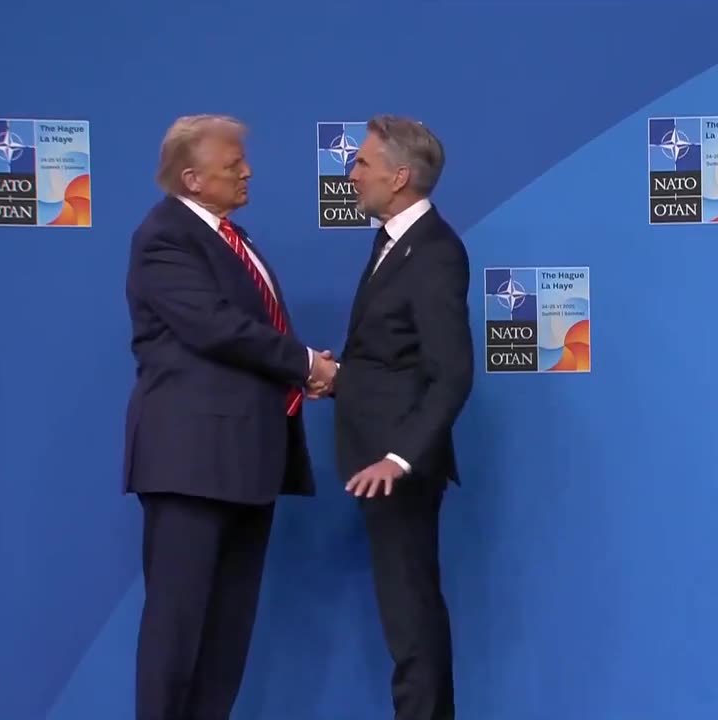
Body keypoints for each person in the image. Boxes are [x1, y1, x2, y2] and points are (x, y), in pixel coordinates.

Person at [123, 114, 337, 720]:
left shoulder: (229, 238)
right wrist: (306, 364)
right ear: (192, 178)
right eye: (233, 163)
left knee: (227, 631)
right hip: (191, 462)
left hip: (249, 458)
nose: (248, 171)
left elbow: (249, 332)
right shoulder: (165, 236)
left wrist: (299, 367)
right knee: (178, 625)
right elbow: (215, 327)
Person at [310, 114, 472, 720]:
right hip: (377, 456)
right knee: (404, 616)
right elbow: (395, 358)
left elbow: (452, 373)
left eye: (361, 163)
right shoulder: (393, 242)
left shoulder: (433, 251)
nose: (351, 175)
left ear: (399, 176)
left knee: (411, 618)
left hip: (398, 467)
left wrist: (400, 458)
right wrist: (341, 381)